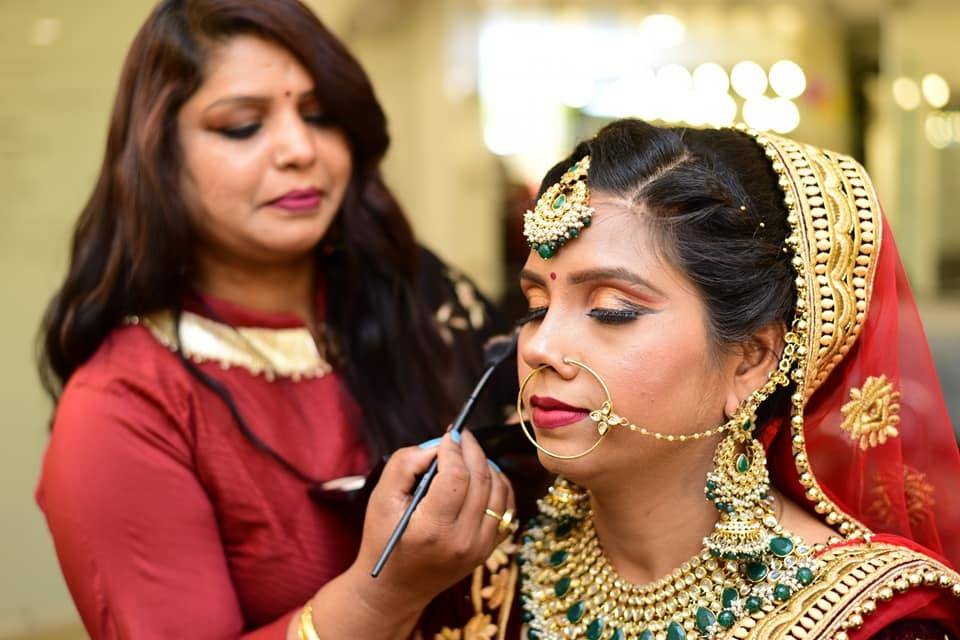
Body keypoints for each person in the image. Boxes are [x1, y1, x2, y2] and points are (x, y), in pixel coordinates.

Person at [36, 1, 520, 638]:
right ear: (159, 155)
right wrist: (384, 593)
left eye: (320, 116)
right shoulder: (124, 404)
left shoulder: (417, 297)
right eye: (241, 126)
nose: (300, 149)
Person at [506, 120, 960, 639]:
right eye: (536, 308)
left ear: (751, 361)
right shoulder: (487, 552)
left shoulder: (868, 623)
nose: (540, 347)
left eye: (611, 310)